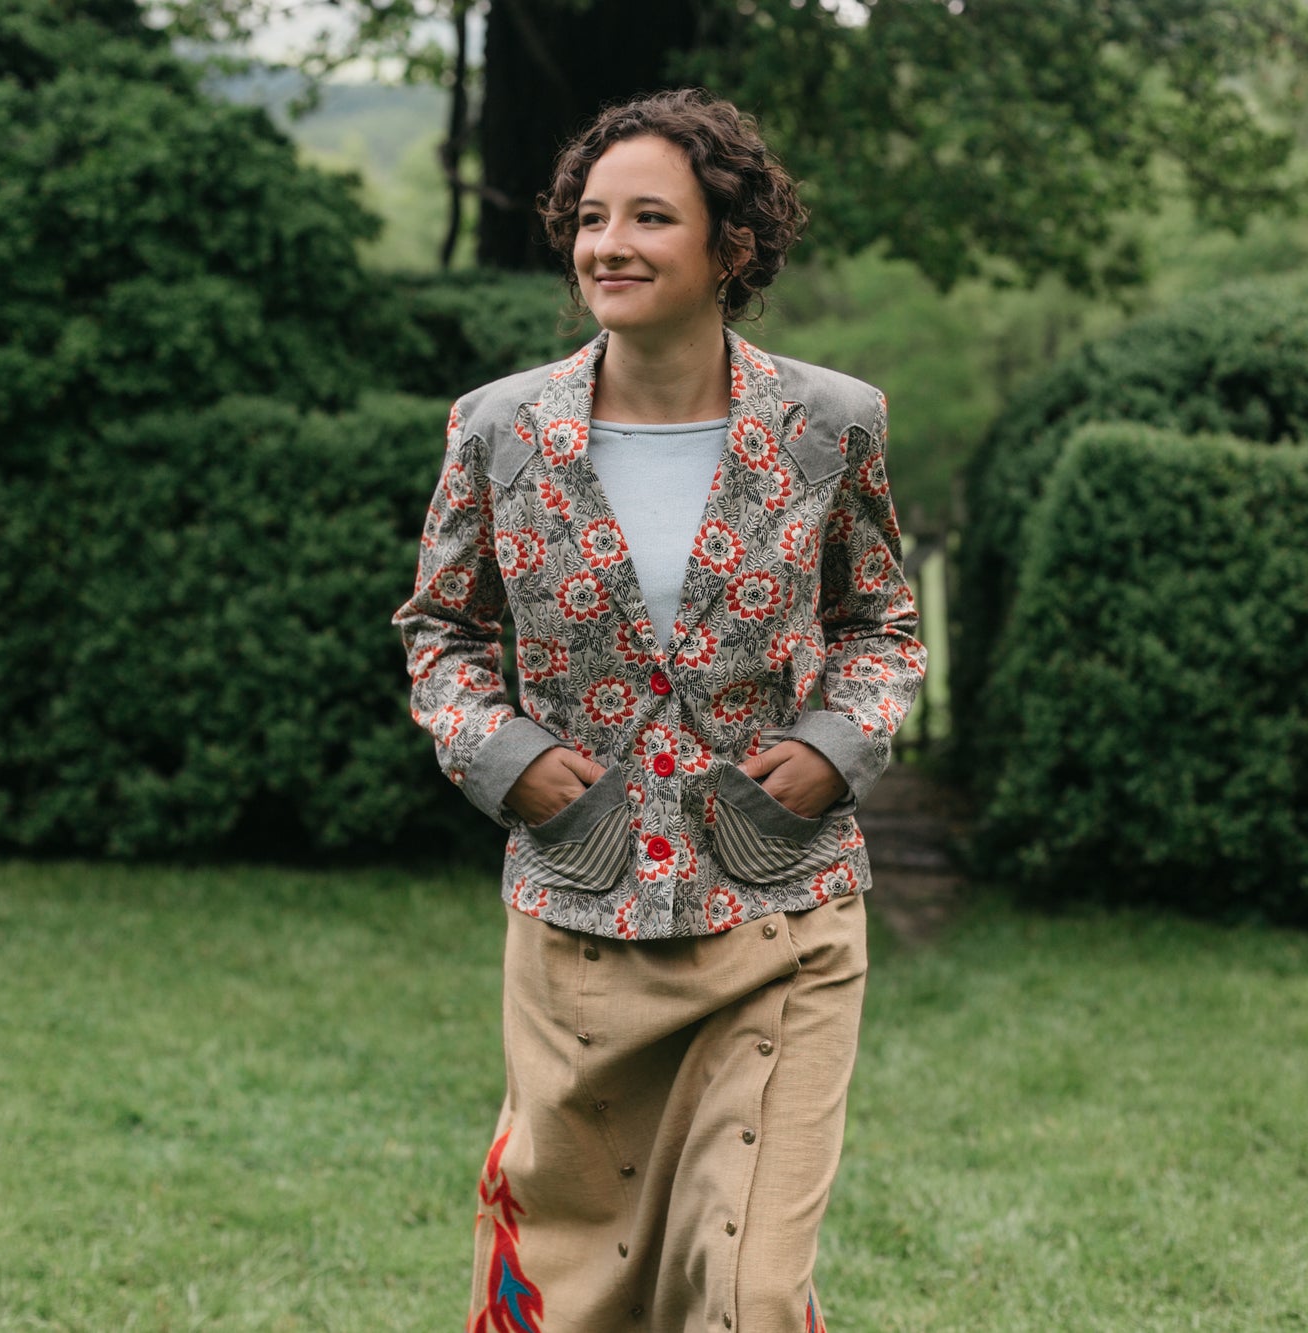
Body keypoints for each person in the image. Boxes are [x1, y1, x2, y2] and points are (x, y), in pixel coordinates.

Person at [393, 86, 927, 1333]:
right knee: (573, 1295)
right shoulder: (497, 430)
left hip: (780, 919)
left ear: (729, 248)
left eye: (647, 217)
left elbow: (881, 627)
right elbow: (440, 634)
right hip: (580, 930)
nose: (606, 245)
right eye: (589, 217)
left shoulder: (831, 425)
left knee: (741, 1290)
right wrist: (504, 755)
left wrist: (832, 745)